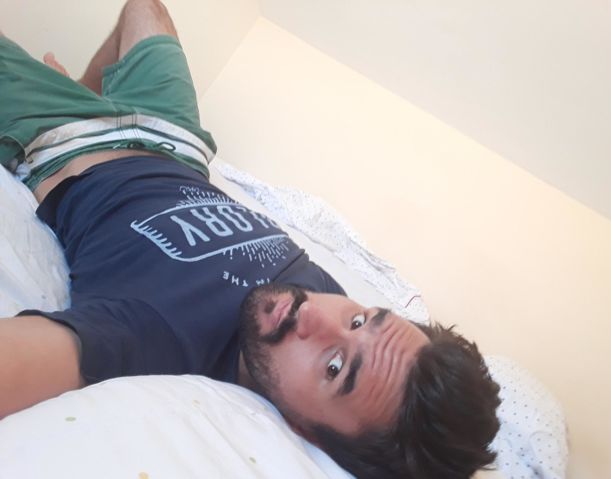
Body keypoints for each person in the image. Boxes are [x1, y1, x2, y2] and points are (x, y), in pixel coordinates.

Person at [0, 1, 501, 477]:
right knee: (145, 10)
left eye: (334, 367)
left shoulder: (159, 340)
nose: (312, 314)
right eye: (360, 319)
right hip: (177, 142)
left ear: (310, 435)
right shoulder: (325, 305)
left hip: (65, 138)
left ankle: (66, 96)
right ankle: (80, 89)